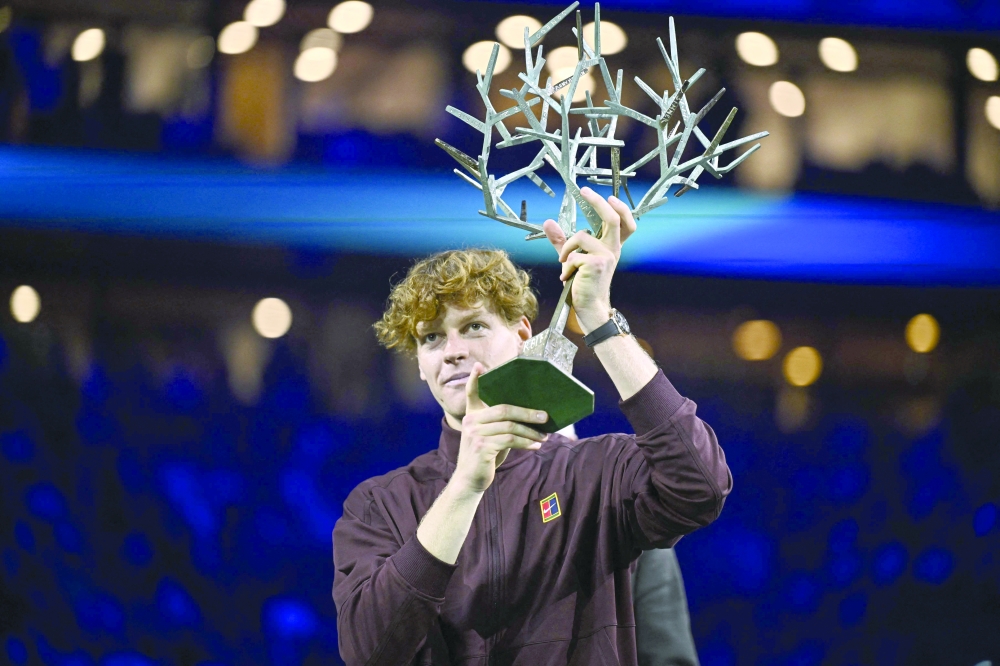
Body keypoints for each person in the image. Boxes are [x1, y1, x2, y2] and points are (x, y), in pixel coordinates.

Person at [332, 187, 731, 665]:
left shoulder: (597, 472)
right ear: (419, 363)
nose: (453, 350)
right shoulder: (379, 505)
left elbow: (701, 487)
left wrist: (599, 319)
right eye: (433, 337)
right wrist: (465, 485)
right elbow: (369, 652)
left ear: (523, 334)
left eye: (474, 326)